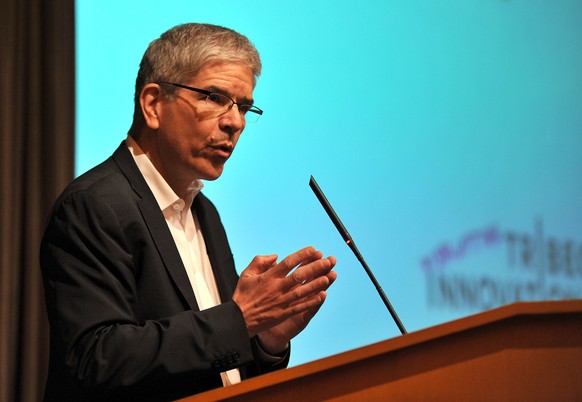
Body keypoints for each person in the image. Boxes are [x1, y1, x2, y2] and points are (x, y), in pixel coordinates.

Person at [40, 23, 337, 401]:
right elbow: (97, 357)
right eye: (214, 97)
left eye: (244, 106)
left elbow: (217, 367)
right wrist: (239, 321)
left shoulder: (205, 214)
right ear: (153, 105)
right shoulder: (94, 205)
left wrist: (265, 341)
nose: (235, 122)